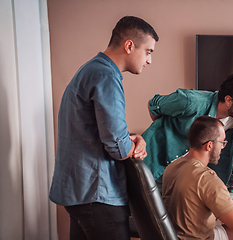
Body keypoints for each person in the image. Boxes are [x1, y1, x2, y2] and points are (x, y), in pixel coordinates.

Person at [49, 16, 159, 240]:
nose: (149, 60)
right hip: (96, 194)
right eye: (148, 51)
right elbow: (118, 147)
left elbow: (99, 131)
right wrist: (136, 144)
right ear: (129, 45)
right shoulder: (107, 76)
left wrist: (134, 139)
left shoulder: (90, 69)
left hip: (79, 192)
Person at [142, 73, 233, 191]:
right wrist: (164, 131)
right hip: (156, 166)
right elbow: (154, 105)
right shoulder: (190, 101)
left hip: (184, 175)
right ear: (229, 100)